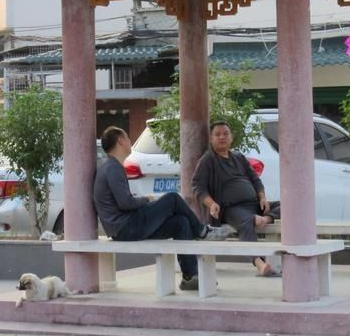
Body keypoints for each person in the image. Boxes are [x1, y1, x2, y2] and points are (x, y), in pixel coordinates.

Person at [93, 126, 233, 291]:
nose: (130, 141)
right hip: (126, 227)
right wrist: (147, 199)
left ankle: (190, 276)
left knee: (181, 223)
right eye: (128, 138)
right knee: (173, 198)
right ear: (120, 141)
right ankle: (203, 231)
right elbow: (125, 203)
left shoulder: (110, 166)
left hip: (126, 227)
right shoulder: (113, 168)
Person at [191, 120, 281, 277]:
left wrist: (262, 197)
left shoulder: (239, 157)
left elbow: (255, 180)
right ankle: (259, 263)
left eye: (225, 134)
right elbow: (197, 186)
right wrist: (211, 204)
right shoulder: (208, 160)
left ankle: (264, 219)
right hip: (231, 208)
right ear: (211, 139)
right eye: (217, 134)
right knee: (246, 222)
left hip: (254, 205)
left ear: (231, 137)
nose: (222, 137)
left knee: (287, 205)